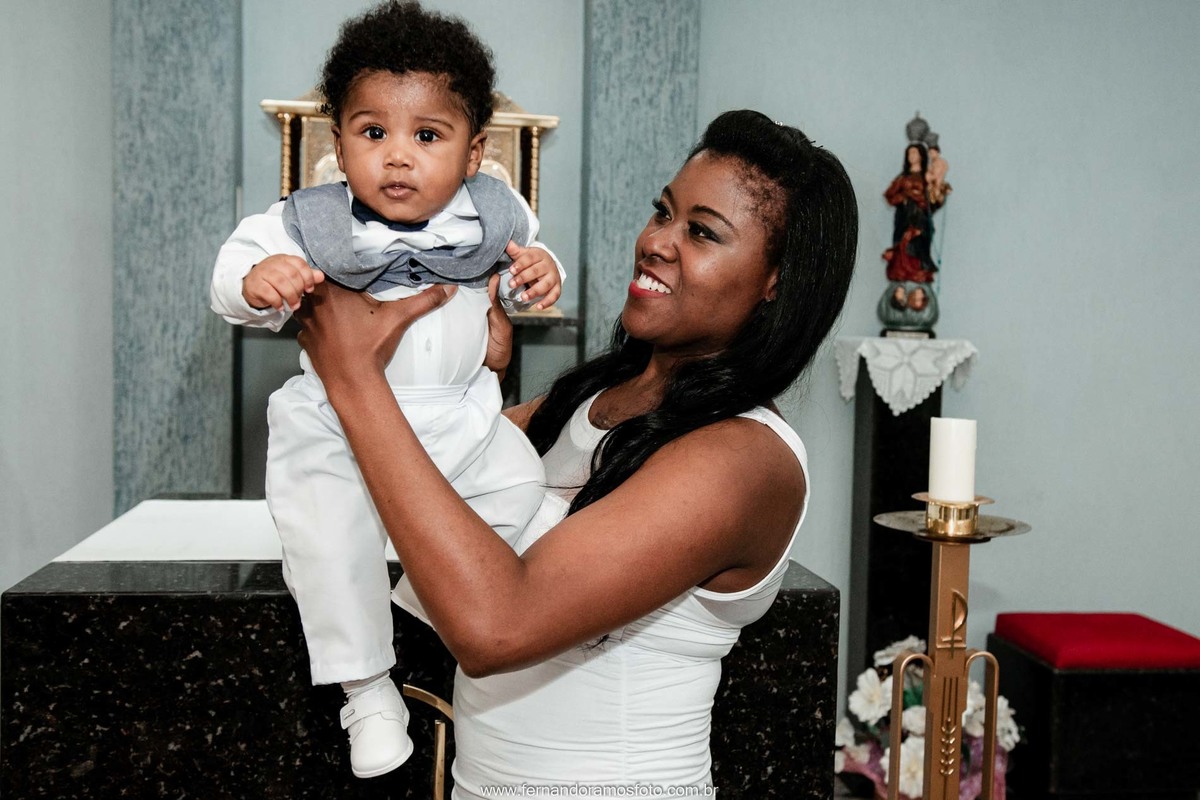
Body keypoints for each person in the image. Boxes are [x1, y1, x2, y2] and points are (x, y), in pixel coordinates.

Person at [295, 109, 858, 795]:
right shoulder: (599, 397)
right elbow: (435, 496)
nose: (656, 241)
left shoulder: (744, 458)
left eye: (702, 232)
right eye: (663, 212)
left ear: (777, 283)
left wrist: (353, 379)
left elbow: (497, 624)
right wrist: (473, 379)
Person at [208, 0, 563, 779]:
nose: (397, 157)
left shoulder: (493, 215)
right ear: (338, 144)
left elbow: (528, 263)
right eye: (374, 133)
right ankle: (366, 691)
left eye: (426, 136)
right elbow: (230, 273)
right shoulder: (308, 222)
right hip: (340, 422)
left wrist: (540, 276)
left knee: (522, 480)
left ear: (473, 155)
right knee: (327, 539)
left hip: (457, 419)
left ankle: (416, 607)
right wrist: (256, 281)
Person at [883, 142, 938, 301]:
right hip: (904, 218)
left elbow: (933, 201)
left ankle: (919, 280)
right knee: (903, 246)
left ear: (921, 156)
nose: (912, 157)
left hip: (921, 218)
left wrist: (934, 194)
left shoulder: (927, 178)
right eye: (909, 154)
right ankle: (901, 285)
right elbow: (889, 196)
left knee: (919, 246)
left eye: (915, 153)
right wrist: (904, 198)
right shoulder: (903, 178)